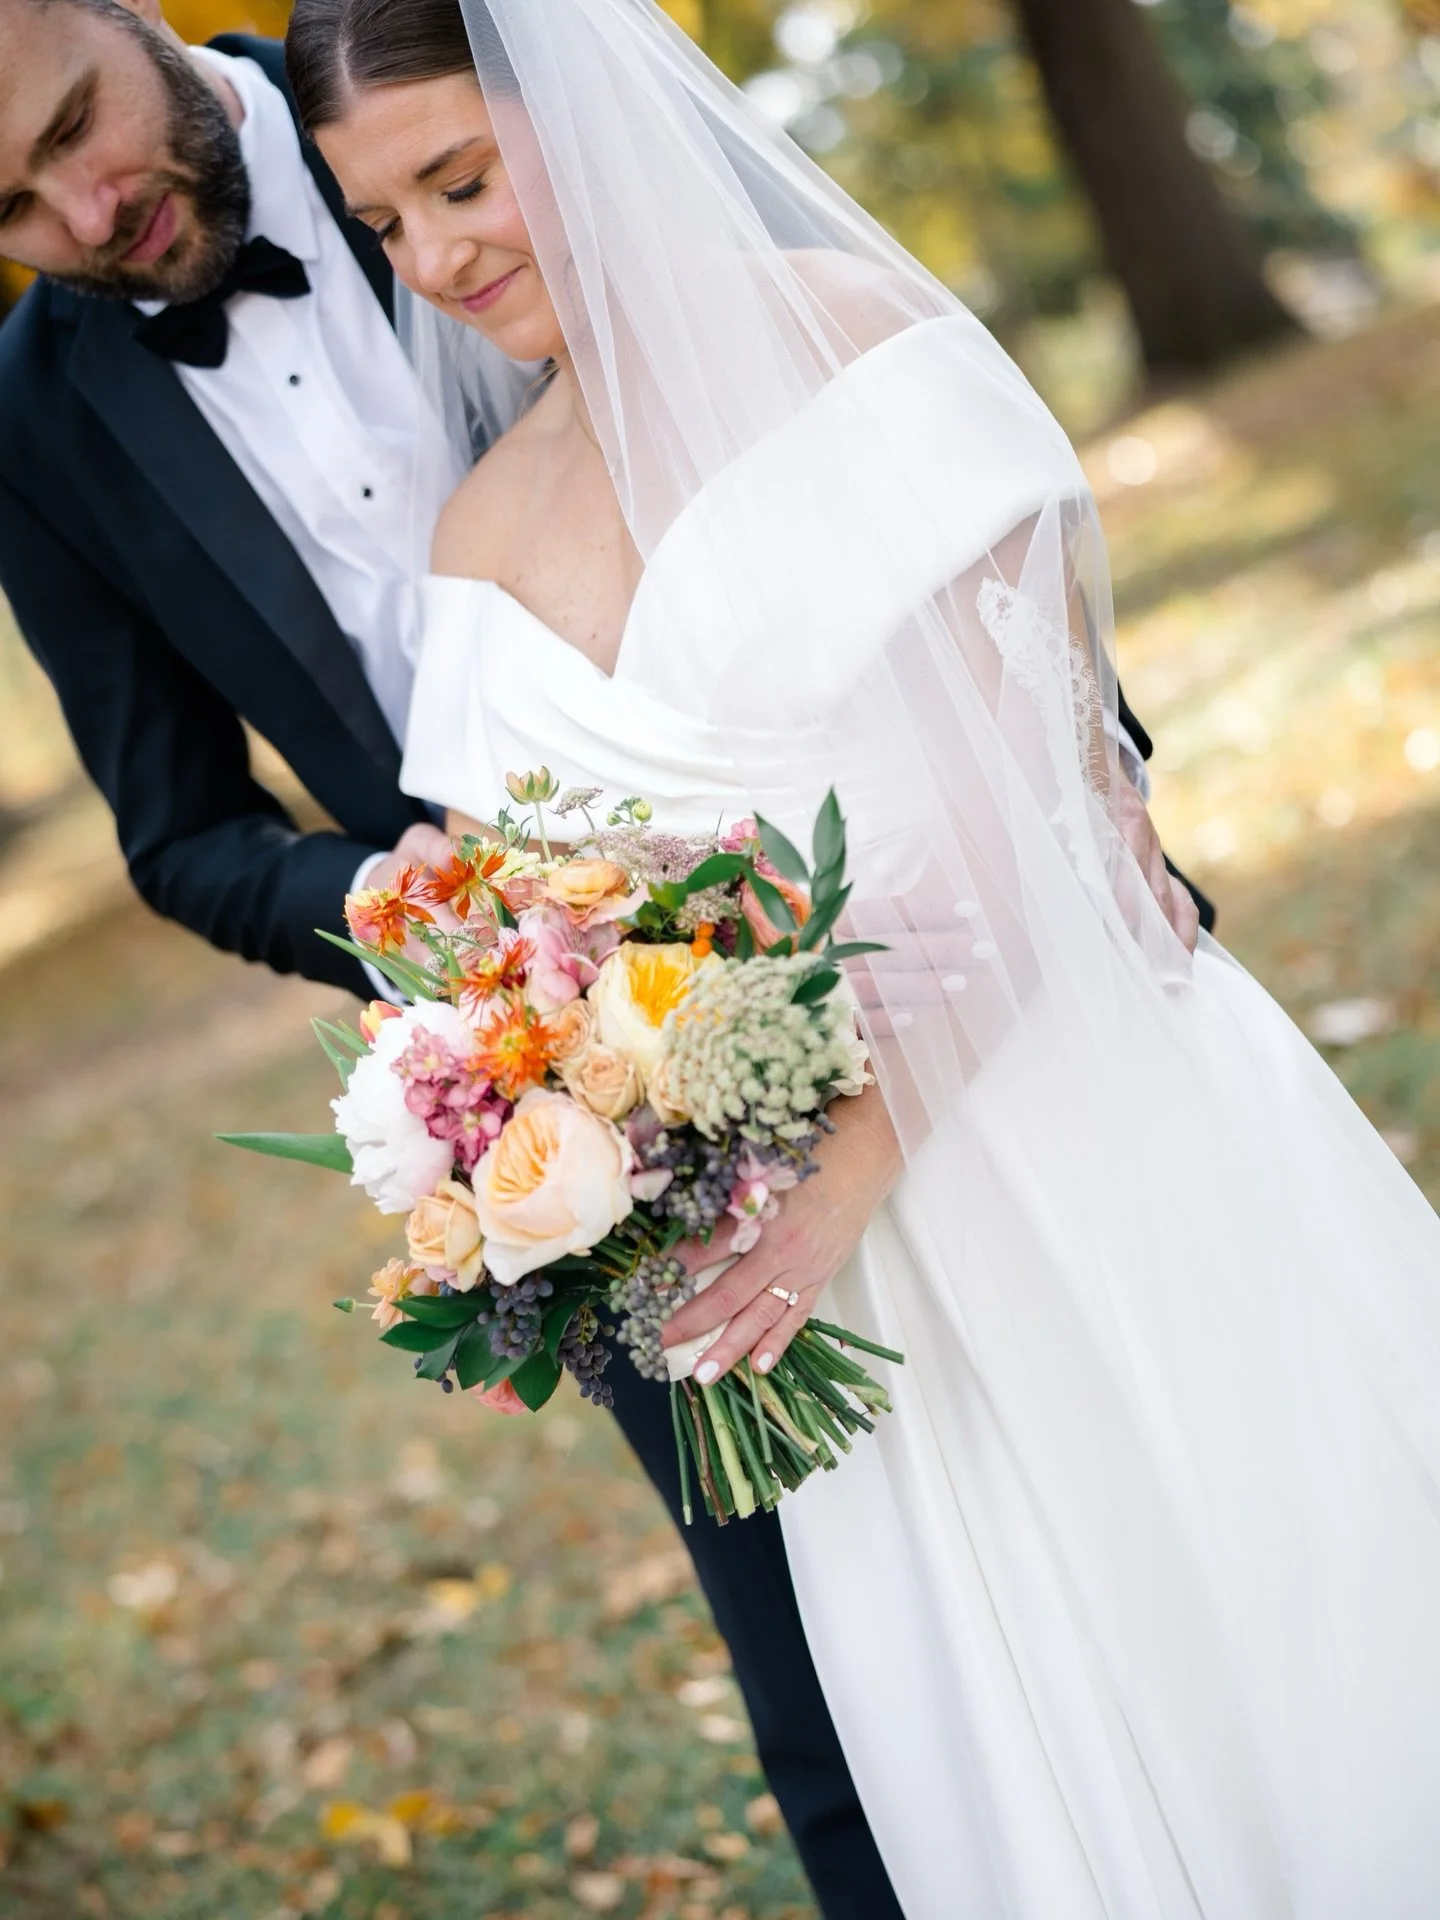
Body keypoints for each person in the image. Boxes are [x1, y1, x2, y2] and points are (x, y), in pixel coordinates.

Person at [0, 2, 1187, 1910]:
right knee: (822, 1642)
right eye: (16, 207)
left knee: (1165, 1487)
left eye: (77, 121)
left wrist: (1098, 787)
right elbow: (180, 834)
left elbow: (890, 449)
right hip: (583, 1074)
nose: (83, 202)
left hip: (929, 904)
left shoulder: (465, 86)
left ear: (116, 17)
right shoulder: (38, 416)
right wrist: (470, 949)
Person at [285, 0, 1440, 1913]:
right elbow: (544, 929)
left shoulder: (855, 347)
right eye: (384, 225)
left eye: (462, 178)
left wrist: (853, 1171)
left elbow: (1042, 786)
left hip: (1072, 1115)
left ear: (579, 109)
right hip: (811, 1270)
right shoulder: (481, 534)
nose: (437, 258)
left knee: (1276, 1617)